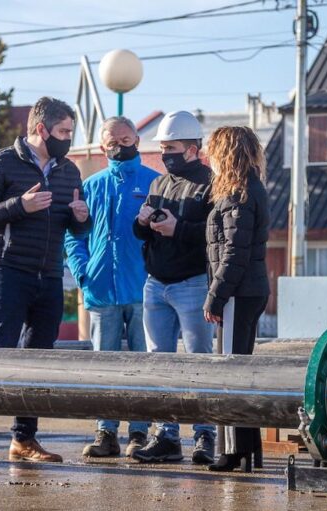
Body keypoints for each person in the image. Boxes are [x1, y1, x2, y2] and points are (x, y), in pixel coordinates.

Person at [0, 97, 90, 462]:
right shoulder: (1, 162)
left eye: (70, 132)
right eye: (64, 131)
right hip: (7, 269)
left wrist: (82, 217)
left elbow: (76, 226)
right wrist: (20, 205)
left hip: (49, 272)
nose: (68, 138)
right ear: (41, 129)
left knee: (40, 358)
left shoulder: (69, 171)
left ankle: (24, 439)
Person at [65, 116, 159, 458]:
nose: (120, 145)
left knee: (142, 365)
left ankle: (139, 431)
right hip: (101, 291)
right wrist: (82, 272)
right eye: (112, 141)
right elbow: (74, 236)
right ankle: (106, 432)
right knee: (104, 365)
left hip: (142, 292)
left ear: (136, 138)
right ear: (104, 146)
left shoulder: (155, 183)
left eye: (125, 138)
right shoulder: (91, 185)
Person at [131, 111, 216, 465]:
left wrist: (177, 228)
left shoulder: (212, 184)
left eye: (172, 147)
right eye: (163, 147)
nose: (166, 154)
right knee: (159, 365)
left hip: (193, 283)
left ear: (194, 149)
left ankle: (205, 436)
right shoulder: (158, 184)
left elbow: (215, 234)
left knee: (200, 363)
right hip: (156, 284)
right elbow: (141, 233)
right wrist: (141, 223)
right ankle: (165, 435)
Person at [202, 126, 270, 473]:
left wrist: (215, 296)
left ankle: (233, 450)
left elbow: (234, 254)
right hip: (247, 291)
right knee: (240, 369)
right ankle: (248, 447)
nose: (208, 158)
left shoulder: (238, 193)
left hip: (238, 294)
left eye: (212, 151)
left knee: (228, 372)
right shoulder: (247, 188)